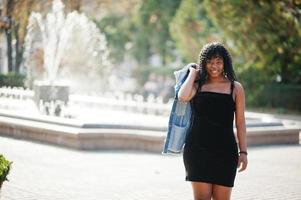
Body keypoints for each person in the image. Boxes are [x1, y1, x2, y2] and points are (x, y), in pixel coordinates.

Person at [178, 42, 248, 200]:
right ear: (203, 63)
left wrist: (243, 152)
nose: (213, 66)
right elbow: (182, 97)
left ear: (225, 63)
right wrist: (193, 74)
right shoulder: (198, 86)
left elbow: (241, 123)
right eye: (209, 61)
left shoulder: (235, 88)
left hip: (225, 152)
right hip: (197, 150)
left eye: (218, 61)